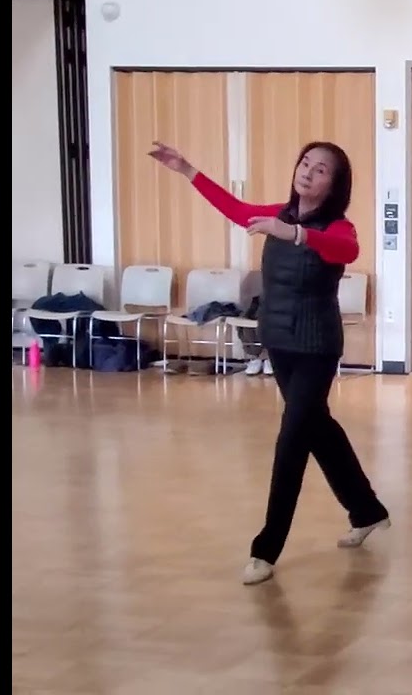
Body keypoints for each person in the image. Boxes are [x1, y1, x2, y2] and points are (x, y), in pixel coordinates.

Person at [148, 140, 391, 586]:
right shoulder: (276, 212)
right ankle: (367, 510)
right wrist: (187, 170)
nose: (308, 173)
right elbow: (234, 207)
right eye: (305, 163)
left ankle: (266, 548)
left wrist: (295, 234)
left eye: (321, 170)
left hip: (317, 345)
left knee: (292, 440)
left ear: (334, 185)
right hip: (277, 339)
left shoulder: (339, 228)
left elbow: (346, 252)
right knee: (318, 428)